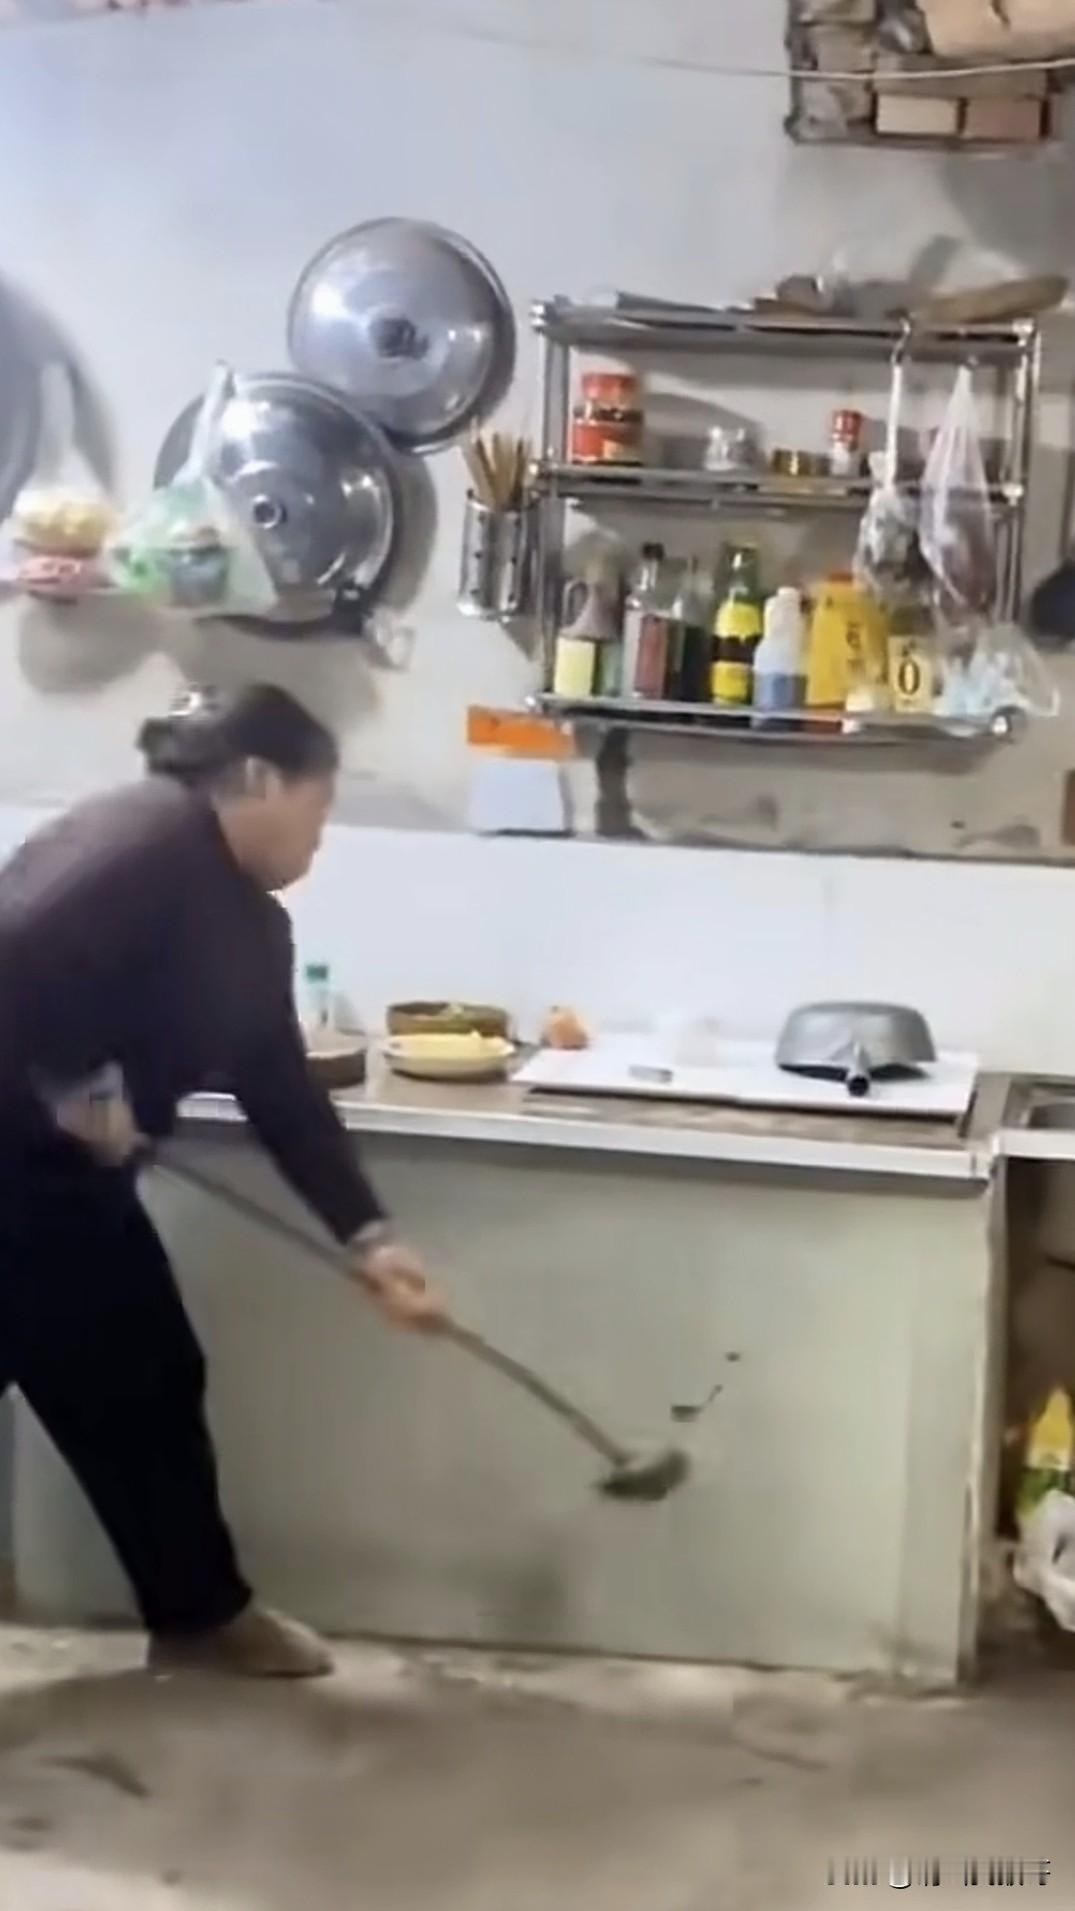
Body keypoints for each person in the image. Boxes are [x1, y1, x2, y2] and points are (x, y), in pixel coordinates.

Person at [0, 683, 447, 1678]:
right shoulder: (137, 843)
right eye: (319, 808)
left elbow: (277, 1086)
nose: (321, 839)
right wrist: (70, 1086)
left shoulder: (243, 918)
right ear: (259, 778)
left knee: (147, 1380)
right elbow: (12, 955)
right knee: (136, 1377)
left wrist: (369, 1235)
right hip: (12, 1175)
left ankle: (200, 1616)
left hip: (66, 1198)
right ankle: (201, 1612)